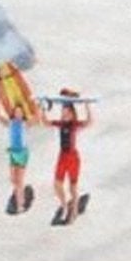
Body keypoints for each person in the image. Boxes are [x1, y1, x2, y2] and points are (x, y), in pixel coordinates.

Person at [48, 86, 93, 227]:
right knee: (57, 184)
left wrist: (87, 106)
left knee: (73, 187)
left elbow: (89, 122)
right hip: (62, 156)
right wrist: (42, 108)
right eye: (63, 113)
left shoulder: (74, 125)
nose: (64, 115)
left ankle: (73, 212)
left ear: (72, 114)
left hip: (72, 157)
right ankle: (64, 205)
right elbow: (44, 122)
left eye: (67, 113)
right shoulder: (61, 124)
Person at [0, 99, 32, 215]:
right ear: (14, 113)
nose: (18, 114)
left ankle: (21, 205)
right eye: (16, 112)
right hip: (13, 154)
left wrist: (39, 106)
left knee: (19, 181)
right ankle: (20, 196)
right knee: (13, 180)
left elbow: (37, 118)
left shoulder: (25, 124)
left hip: (22, 153)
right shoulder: (10, 123)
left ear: (23, 114)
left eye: (20, 112)